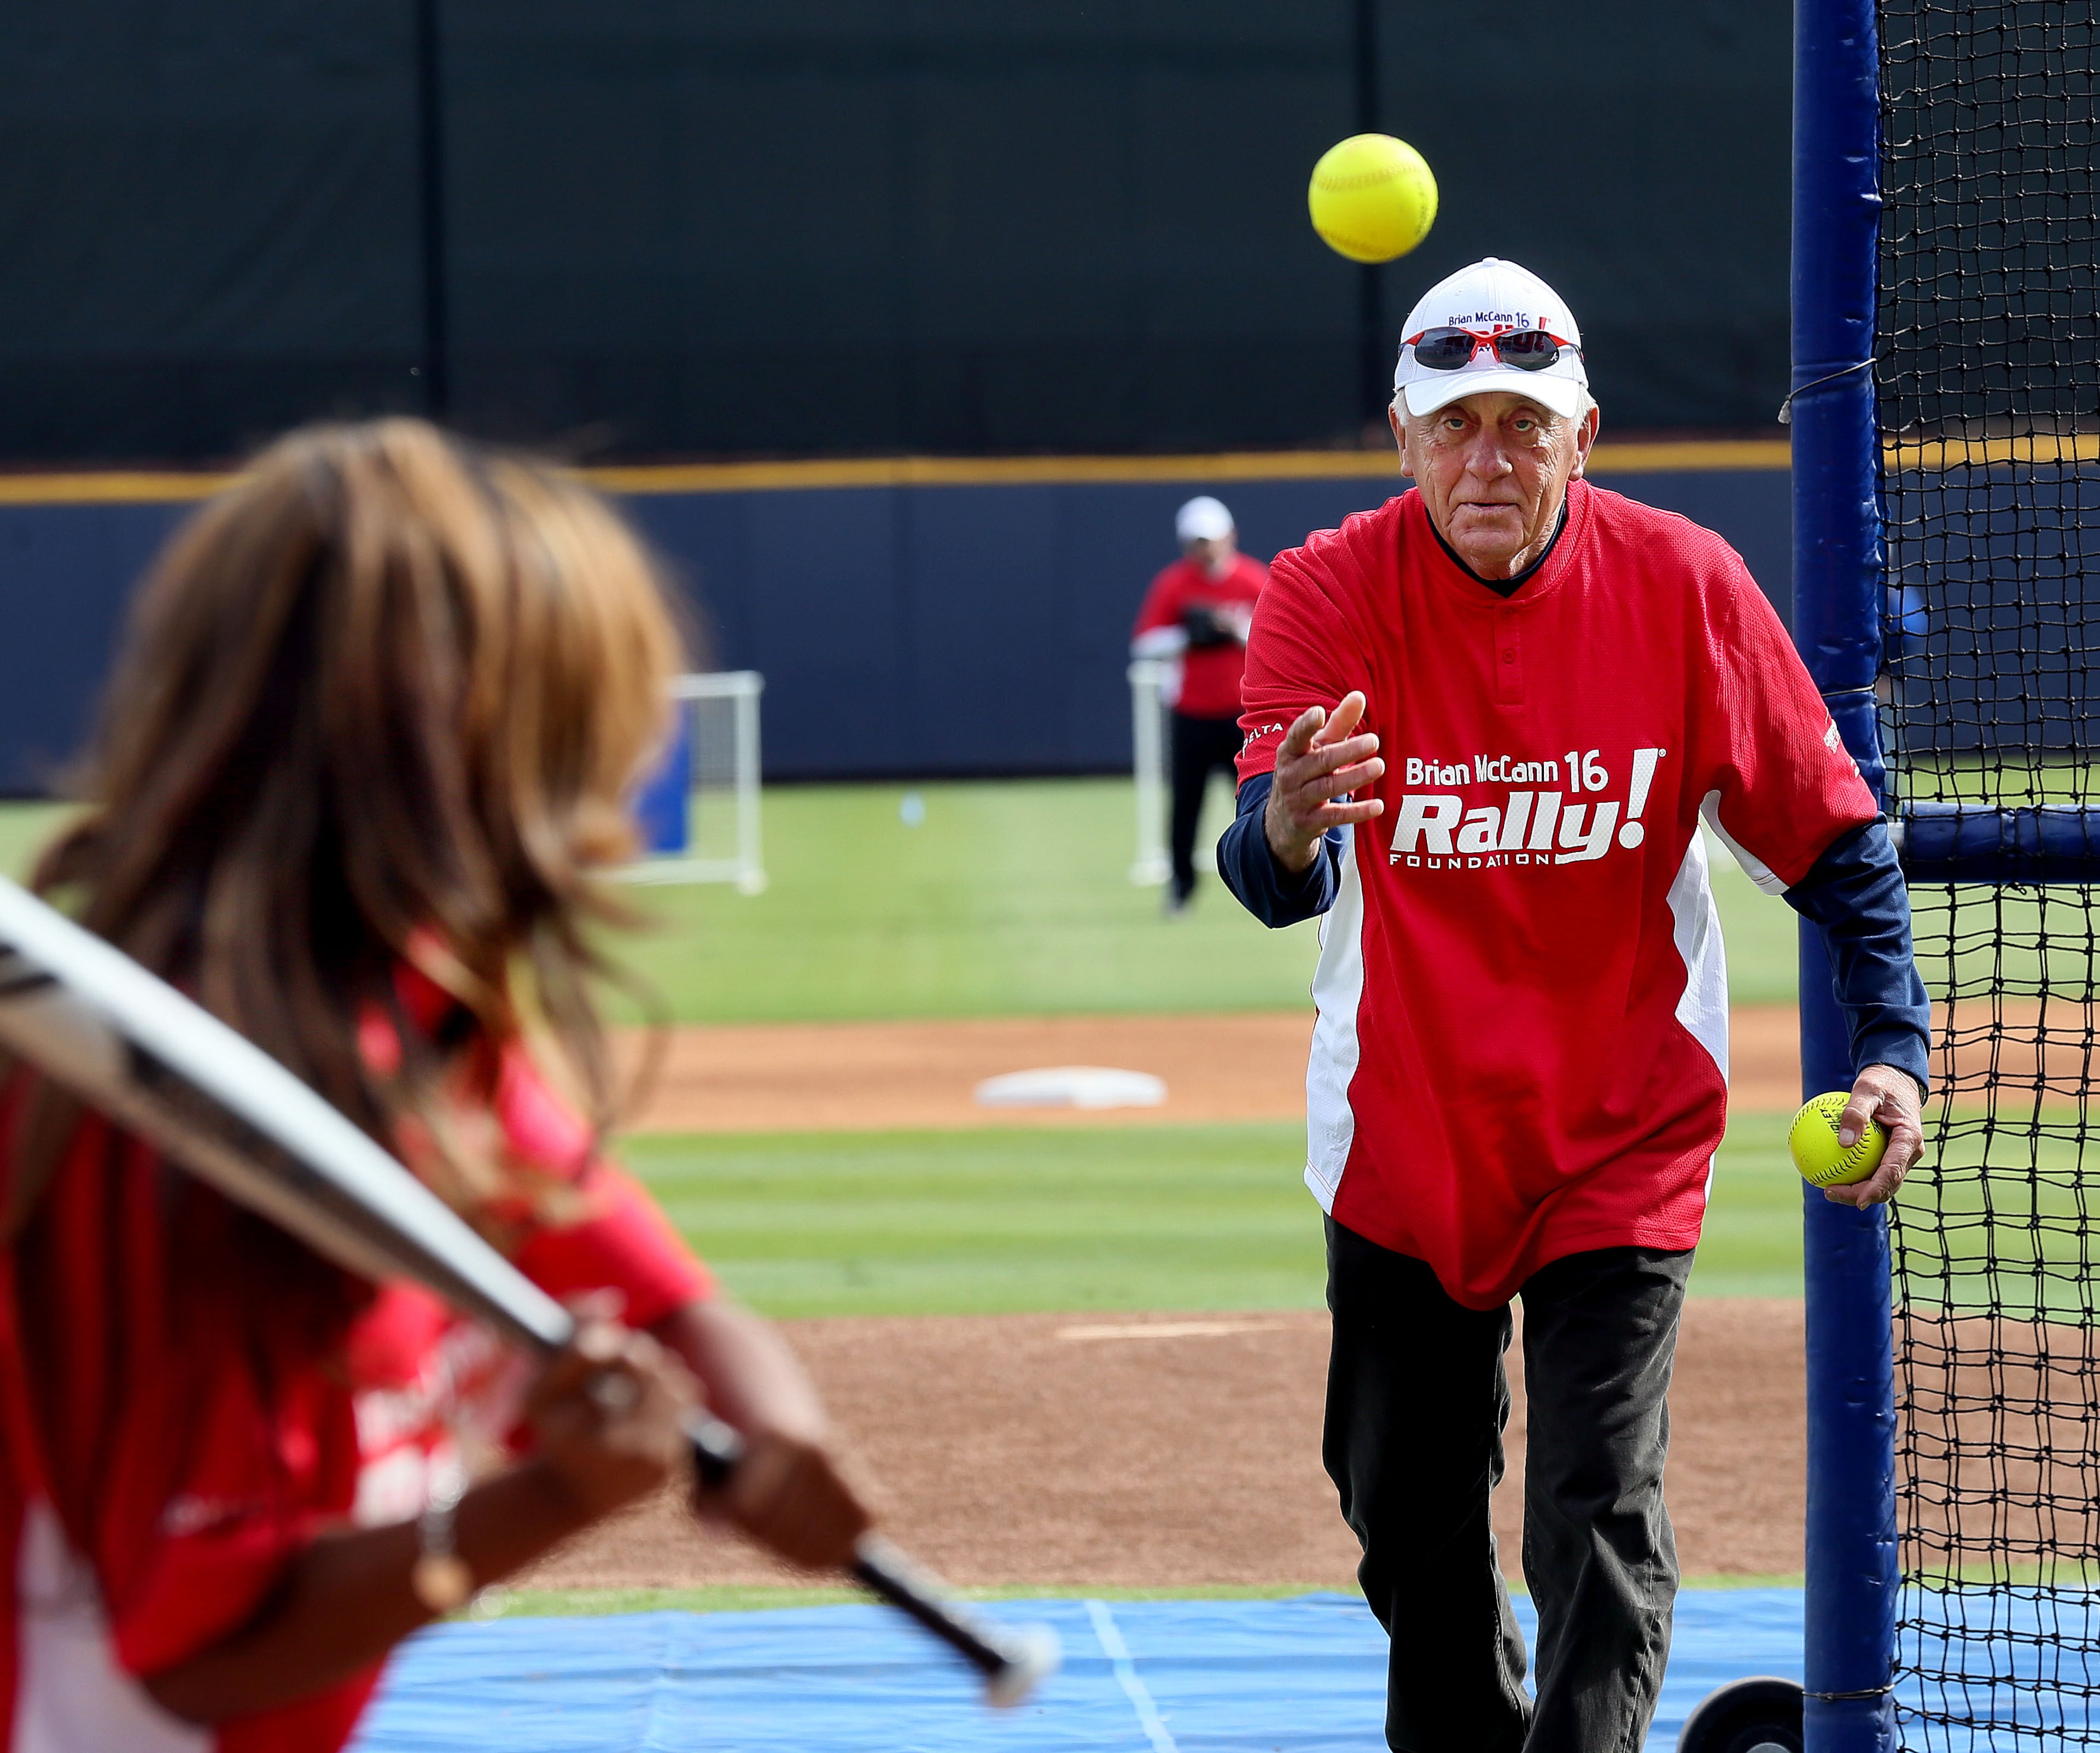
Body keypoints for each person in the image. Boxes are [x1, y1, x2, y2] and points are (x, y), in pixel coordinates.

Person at [0, 419, 870, 1752]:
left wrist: (776, 1430)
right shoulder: (166, 1106)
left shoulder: (414, 1018)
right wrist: (545, 1503)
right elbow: (202, 1655)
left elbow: (660, 1297)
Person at [1216, 258, 1930, 1752]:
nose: (1491, 457)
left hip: (1623, 1129)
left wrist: (1894, 1049)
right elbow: (1273, 878)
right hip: (1406, 1138)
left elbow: (1834, 837)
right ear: (1402, 437)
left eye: (1524, 425)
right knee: (1407, 1519)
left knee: (1595, 1505)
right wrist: (1285, 825)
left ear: (1584, 433)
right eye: (1458, 423)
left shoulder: (1683, 585)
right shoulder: (1326, 591)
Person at [1131, 495, 1267, 911]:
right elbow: (1145, 643)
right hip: (1191, 712)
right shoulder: (1173, 585)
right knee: (1185, 805)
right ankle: (1181, 887)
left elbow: (1274, 636)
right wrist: (1189, 636)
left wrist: (1233, 630)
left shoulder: (1252, 580)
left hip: (1242, 715)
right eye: (1195, 542)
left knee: (1255, 801)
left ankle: (1264, 883)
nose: (1203, 551)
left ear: (1230, 537)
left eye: (1209, 540)